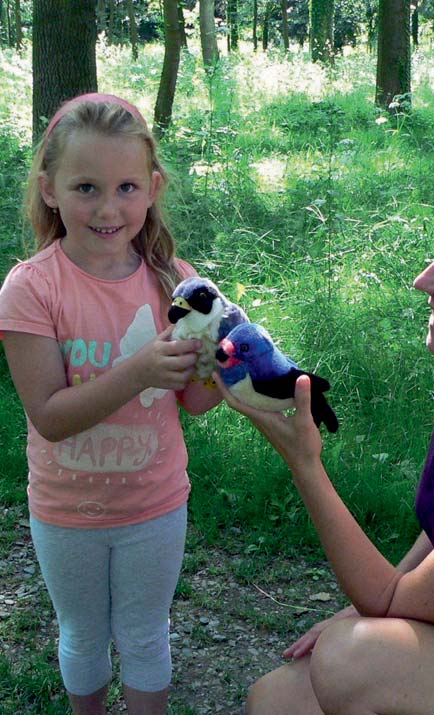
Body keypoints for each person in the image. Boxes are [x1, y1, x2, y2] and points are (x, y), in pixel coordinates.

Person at [214, 154, 434, 715]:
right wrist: (360, 614)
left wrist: (305, 462)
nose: (422, 281)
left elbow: (388, 599)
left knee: (354, 662)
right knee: (274, 700)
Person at [0, 93, 222, 715]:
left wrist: (215, 360)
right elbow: (49, 414)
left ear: (152, 188)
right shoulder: (31, 288)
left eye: (126, 187)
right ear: (49, 189)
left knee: (147, 634)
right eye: (86, 187)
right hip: (66, 509)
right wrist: (138, 369)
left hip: (154, 502)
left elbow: (197, 403)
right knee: (83, 635)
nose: (107, 207)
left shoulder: (174, 280)